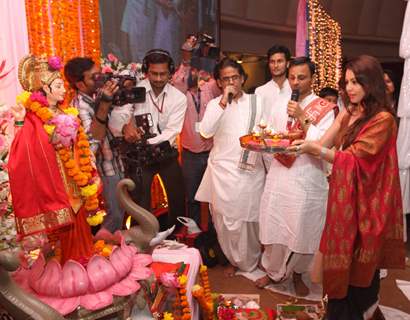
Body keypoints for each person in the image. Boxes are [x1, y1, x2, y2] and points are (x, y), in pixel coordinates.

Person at [290, 55, 405, 318]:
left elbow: (355, 158)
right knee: (339, 270)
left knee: (360, 271)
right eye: (347, 82)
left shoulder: (383, 119)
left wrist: (313, 150)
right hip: (344, 202)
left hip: (368, 204)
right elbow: (324, 145)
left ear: (371, 83)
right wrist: (299, 142)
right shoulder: (348, 111)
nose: (350, 88)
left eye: (356, 82)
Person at [8, 55, 103, 264]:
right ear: (45, 88)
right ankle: (68, 264)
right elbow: (24, 149)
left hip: (76, 177)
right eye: (58, 85)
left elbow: (81, 142)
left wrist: (89, 164)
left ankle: (84, 259)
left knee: (82, 226)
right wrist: (20, 122)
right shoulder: (35, 117)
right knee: (64, 235)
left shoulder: (65, 111)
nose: (63, 89)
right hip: (57, 184)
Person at [256, 57, 337, 296]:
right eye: (292, 77)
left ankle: (300, 273)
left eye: (301, 77)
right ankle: (273, 271)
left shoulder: (325, 108)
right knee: (274, 223)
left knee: (303, 228)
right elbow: (269, 136)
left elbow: (322, 143)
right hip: (280, 173)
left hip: (307, 175)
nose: (295, 82)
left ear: (312, 78)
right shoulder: (279, 102)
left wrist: (302, 116)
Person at [195, 58, 265, 276]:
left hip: (250, 170)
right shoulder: (216, 105)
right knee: (224, 220)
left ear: (243, 78)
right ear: (218, 82)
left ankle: (251, 260)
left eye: (235, 77)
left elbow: (268, 131)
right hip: (222, 173)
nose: (231, 82)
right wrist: (224, 101)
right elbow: (205, 132)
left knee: (249, 219)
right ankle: (234, 260)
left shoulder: (257, 102)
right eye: (226, 79)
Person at [109, 49, 187, 229]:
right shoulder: (135, 91)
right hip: (139, 155)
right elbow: (116, 119)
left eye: (163, 74)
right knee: (139, 201)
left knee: (177, 197)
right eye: (154, 73)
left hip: (166, 153)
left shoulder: (178, 98)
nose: (159, 78)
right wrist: (124, 128)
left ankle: (175, 237)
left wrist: (147, 140)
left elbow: (172, 130)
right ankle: (141, 240)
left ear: (170, 73)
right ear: (146, 71)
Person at [64, 57, 125, 232]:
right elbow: (92, 144)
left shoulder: (97, 95)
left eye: (100, 75)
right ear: (80, 85)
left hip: (116, 163)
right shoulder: (80, 106)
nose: (100, 81)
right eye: (94, 78)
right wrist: (104, 105)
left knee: (120, 213)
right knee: (114, 216)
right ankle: (104, 254)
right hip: (103, 170)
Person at [180, 61, 220, 228]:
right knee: (192, 196)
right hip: (190, 155)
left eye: (196, 70)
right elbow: (179, 78)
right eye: (191, 71)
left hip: (210, 152)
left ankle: (213, 231)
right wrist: (187, 64)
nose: (193, 74)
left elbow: (219, 82)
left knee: (213, 196)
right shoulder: (181, 93)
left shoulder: (208, 89)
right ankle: (193, 229)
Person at [255, 45, 292, 132]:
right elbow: (257, 120)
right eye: (272, 62)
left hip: (290, 140)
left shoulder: (294, 89)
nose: (275, 65)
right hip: (267, 141)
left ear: (287, 64)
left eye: (279, 61)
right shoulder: (260, 91)